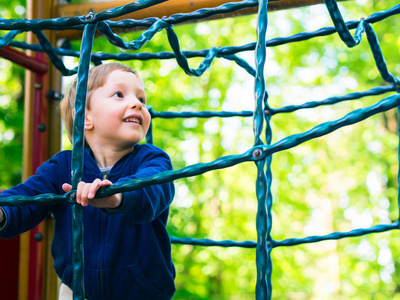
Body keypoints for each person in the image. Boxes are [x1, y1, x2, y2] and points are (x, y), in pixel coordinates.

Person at [0, 62, 176, 299]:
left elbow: (153, 190)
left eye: (142, 100)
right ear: (85, 118)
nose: (137, 104)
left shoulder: (152, 159)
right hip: (76, 291)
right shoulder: (63, 167)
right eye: (119, 95)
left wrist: (117, 197)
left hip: (139, 291)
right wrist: (3, 211)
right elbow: (27, 198)